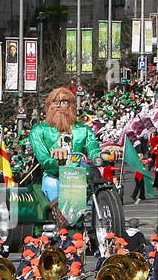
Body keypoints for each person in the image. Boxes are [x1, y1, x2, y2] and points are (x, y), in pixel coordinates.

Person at [28, 85, 102, 216]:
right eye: (54, 102)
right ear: (48, 107)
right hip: (53, 176)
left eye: (63, 102)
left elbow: (94, 150)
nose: (58, 106)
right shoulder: (39, 130)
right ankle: (61, 218)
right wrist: (56, 160)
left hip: (79, 176)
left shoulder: (83, 130)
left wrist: (105, 154)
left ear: (72, 106)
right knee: (52, 185)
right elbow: (43, 158)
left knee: (97, 188)